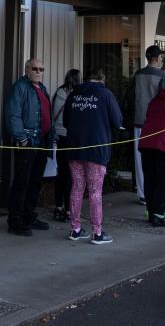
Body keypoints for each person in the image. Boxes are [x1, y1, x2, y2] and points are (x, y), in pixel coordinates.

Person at [63, 67, 123, 245]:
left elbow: (65, 121)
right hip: (96, 148)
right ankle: (97, 232)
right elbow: (117, 121)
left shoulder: (73, 95)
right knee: (95, 191)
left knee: (77, 187)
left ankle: (75, 229)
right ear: (102, 79)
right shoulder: (105, 95)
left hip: (74, 147)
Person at [4, 57, 54, 235]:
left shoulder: (42, 88)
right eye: (35, 68)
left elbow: (48, 114)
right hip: (27, 141)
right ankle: (15, 220)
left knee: (35, 181)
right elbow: (13, 114)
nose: (39, 72)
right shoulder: (20, 87)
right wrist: (21, 138)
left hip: (41, 140)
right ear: (26, 69)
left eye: (42, 69)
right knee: (22, 182)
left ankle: (28, 215)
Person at [139, 72, 165, 226]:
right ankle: (158, 215)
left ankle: (151, 212)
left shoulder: (155, 100)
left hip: (147, 144)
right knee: (164, 181)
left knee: (150, 179)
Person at [132, 45, 165, 205]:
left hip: (138, 120)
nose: (162, 60)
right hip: (155, 122)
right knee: (156, 159)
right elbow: (164, 99)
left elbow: (130, 96)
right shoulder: (162, 75)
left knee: (139, 159)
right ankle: (155, 194)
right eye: (161, 57)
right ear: (156, 58)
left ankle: (142, 193)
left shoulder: (138, 74)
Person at [50, 69, 80, 222]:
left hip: (59, 136)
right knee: (70, 174)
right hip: (70, 136)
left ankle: (58, 207)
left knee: (60, 173)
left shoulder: (59, 92)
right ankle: (69, 210)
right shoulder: (77, 95)